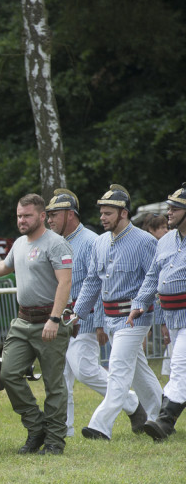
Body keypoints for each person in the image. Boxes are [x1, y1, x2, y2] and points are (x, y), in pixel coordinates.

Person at [0, 194, 73, 455]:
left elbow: (64, 283)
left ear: (42, 216)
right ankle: (36, 428)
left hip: (49, 321)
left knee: (53, 384)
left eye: (27, 216)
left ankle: (55, 440)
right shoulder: (20, 244)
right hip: (22, 322)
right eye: (19, 216)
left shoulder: (57, 244)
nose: (21, 220)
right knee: (8, 374)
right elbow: (5, 265)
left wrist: (55, 319)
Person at [45, 189, 144, 443]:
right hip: (66, 318)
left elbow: (100, 283)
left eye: (54, 215)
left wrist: (99, 322)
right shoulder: (55, 242)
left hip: (87, 318)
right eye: (48, 215)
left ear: (70, 215)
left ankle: (131, 402)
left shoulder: (90, 241)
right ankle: (63, 429)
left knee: (85, 369)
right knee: (63, 376)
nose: (49, 220)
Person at [73, 184, 162, 441]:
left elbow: (153, 279)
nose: (102, 217)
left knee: (118, 369)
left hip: (134, 320)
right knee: (139, 372)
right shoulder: (99, 243)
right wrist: (78, 313)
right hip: (111, 319)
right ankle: (162, 417)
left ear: (123, 213)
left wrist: (140, 306)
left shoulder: (145, 242)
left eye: (108, 213)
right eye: (101, 213)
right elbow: (92, 282)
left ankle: (101, 426)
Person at [130, 183, 186, 441]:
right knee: (179, 368)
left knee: (179, 366)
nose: (169, 213)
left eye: (175, 208)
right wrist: (139, 304)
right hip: (173, 317)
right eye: (169, 207)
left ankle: (164, 421)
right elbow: (153, 278)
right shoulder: (164, 242)